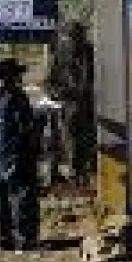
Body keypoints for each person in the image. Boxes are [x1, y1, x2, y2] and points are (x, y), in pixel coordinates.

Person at [0, 58, 41, 253]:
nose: (20, 78)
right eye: (17, 74)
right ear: (10, 76)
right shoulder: (16, 97)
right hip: (14, 154)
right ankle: (25, 241)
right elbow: (26, 127)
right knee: (22, 195)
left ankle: (0, 241)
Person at [44, 21, 97, 188]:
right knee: (69, 139)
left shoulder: (91, 52)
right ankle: (73, 173)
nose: (77, 39)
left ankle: (84, 172)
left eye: (79, 35)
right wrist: (60, 95)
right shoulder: (60, 53)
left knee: (88, 140)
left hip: (89, 106)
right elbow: (49, 83)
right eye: (73, 36)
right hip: (68, 107)